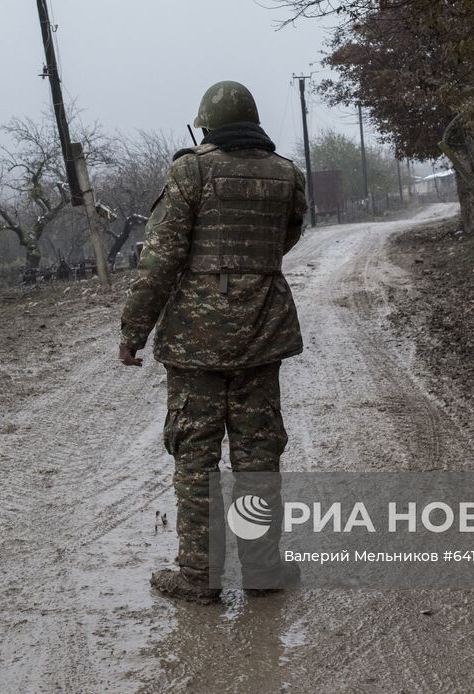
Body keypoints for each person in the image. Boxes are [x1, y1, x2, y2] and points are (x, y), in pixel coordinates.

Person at [119, 80, 308, 603]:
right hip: (262, 332)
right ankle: (264, 571)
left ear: (206, 125)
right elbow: (287, 237)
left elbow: (160, 260)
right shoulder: (288, 174)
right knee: (258, 453)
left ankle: (198, 578)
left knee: (195, 455)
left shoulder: (191, 171)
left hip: (196, 345)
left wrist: (133, 331)